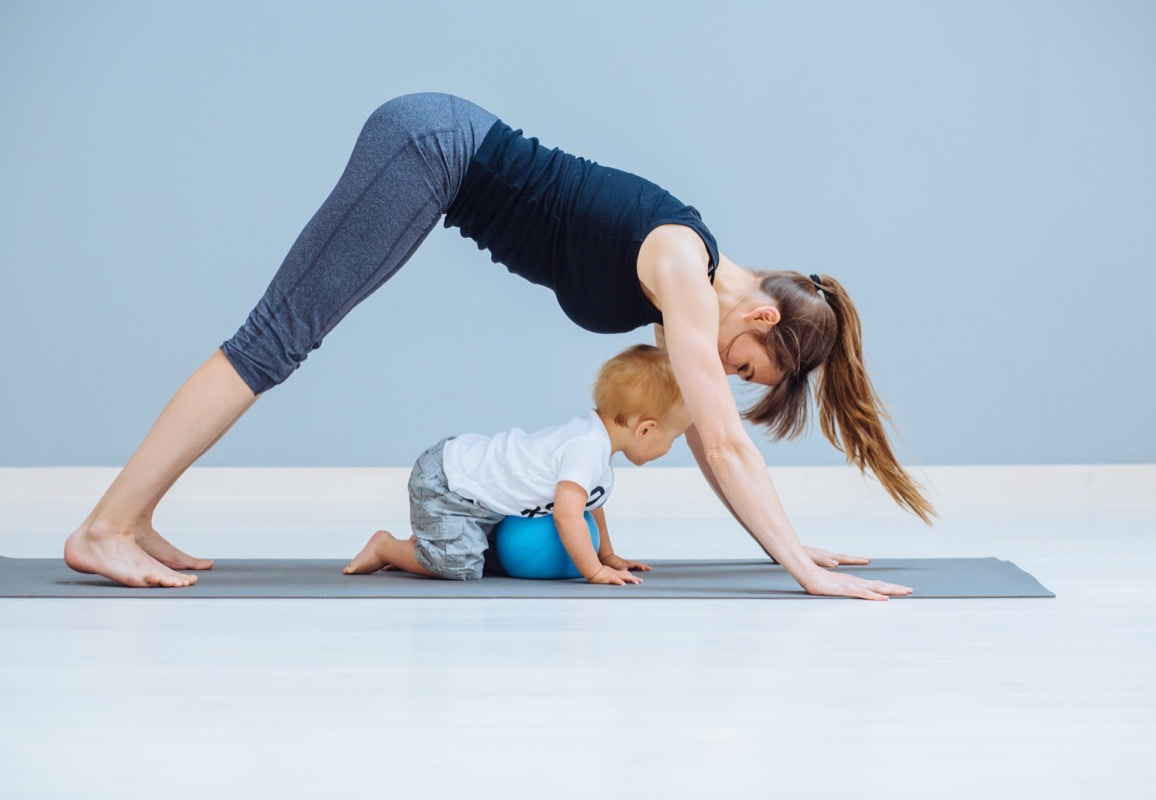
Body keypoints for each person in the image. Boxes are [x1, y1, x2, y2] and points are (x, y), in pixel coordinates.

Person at [64, 92, 932, 600]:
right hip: (429, 148)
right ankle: (104, 525)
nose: (725, 378)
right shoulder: (681, 261)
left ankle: (132, 517)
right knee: (273, 342)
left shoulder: (686, 288)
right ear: (764, 320)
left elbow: (710, 439)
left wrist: (787, 544)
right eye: (745, 369)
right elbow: (728, 436)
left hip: (434, 155)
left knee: (275, 343)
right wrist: (806, 574)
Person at [343, 345, 688, 585]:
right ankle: (387, 546)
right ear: (645, 429)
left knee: (476, 554)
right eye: (673, 438)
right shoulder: (585, 448)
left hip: (474, 493)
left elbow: (590, 505)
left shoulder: (595, 446)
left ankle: (430, 545)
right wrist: (595, 572)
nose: (670, 447)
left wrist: (608, 555)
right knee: (461, 565)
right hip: (448, 485)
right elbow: (568, 515)